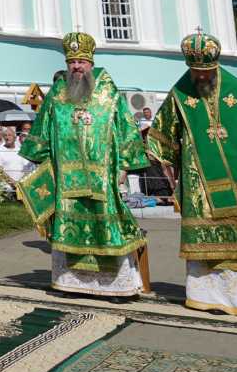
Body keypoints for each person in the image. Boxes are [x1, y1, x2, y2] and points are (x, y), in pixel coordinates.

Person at [18, 34, 151, 297]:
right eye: (72, 62)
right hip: (66, 179)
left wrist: (125, 165)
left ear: (90, 63)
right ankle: (72, 283)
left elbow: (126, 128)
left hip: (103, 176)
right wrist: (42, 161)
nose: (76, 67)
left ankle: (116, 286)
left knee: (107, 228)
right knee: (70, 230)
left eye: (81, 61)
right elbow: (42, 128)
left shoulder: (107, 91)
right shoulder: (58, 93)